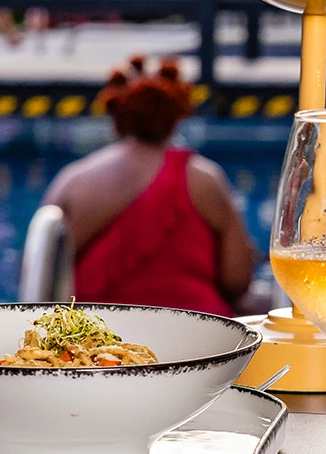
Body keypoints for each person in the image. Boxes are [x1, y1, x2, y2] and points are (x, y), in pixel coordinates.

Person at [42, 58, 261, 316]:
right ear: (177, 116)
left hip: (97, 342)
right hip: (201, 335)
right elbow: (237, 280)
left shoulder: (74, 181)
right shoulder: (205, 180)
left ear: (117, 116)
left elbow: (38, 278)